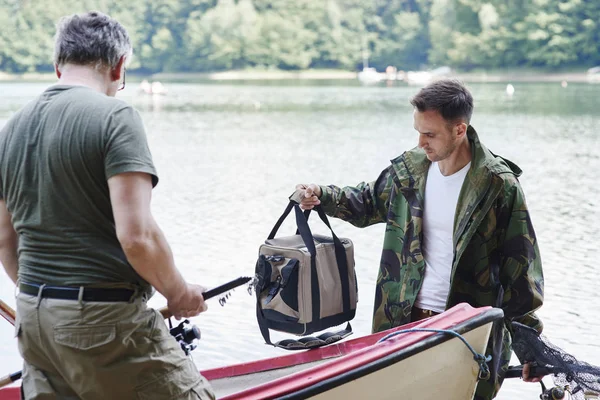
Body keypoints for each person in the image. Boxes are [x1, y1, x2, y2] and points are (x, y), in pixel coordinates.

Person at [0, 11, 215, 399]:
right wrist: (179, 293)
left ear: (58, 66)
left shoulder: (11, 129)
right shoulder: (116, 117)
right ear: (119, 66)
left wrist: (49, 303)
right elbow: (138, 237)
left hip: (32, 318)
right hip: (100, 321)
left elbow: (3, 239)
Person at [296, 79, 544, 400]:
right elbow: (369, 201)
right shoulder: (412, 170)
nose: (421, 142)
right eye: (418, 131)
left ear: (459, 130)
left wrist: (530, 347)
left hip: (466, 329)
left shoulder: (497, 185)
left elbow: (521, 270)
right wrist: (322, 195)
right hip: (401, 321)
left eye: (430, 134)